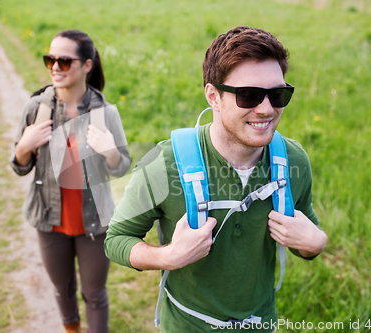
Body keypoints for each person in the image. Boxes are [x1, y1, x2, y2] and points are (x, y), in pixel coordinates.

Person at [104, 26, 328, 332]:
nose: (266, 109)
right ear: (214, 96)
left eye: (278, 94)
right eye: (248, 96)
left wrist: (316, 243)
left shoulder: (293, 161)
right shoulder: (164, 165)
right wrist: (169, 256)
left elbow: (306, 235)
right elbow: (116, 240)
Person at [10, 29, 131, 333]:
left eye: (64, 61)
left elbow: (121, 168)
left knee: (95, 294)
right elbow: (20, 166)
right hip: (49, 222)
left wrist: (111, 153)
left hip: (94, 224)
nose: (54, 67)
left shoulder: (106, 113)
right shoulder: (36, 109)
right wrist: (24, 146)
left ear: (87, 65)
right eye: (50, 59)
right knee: (62, 291)